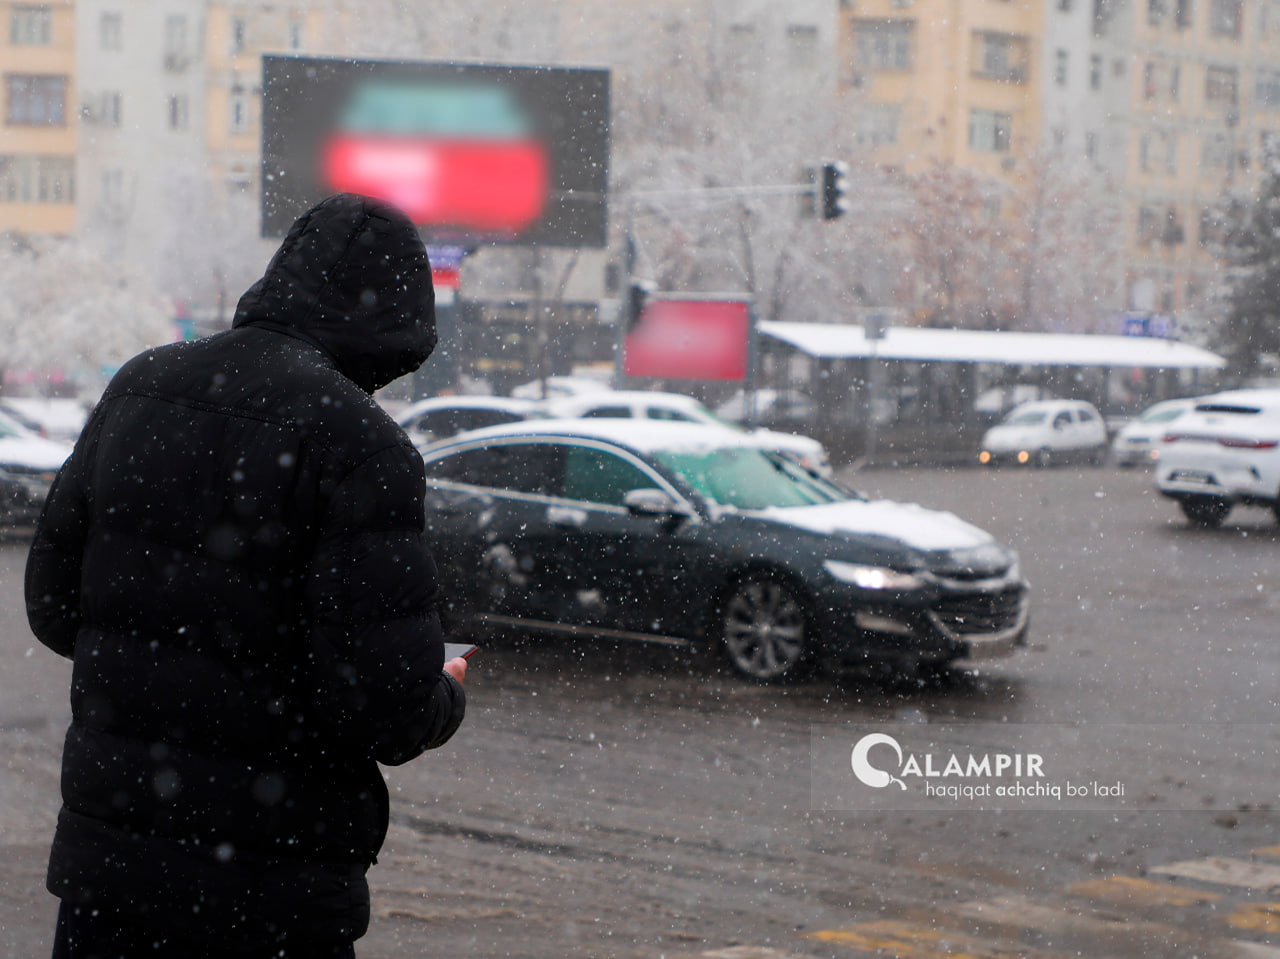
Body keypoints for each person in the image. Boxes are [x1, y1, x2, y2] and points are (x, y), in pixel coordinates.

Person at [25, 193, 468, 958]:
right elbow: (384, 709)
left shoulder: (140, 385)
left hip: (110, 875)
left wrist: (164, 663)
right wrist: (444, 693)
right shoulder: (361, 445)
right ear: (397, 329)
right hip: (269, 894)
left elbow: (54, 605)